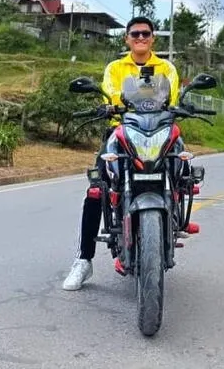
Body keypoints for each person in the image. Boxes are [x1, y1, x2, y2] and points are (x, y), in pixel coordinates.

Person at [62, 16, 180, 291]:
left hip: (160, 129)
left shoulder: (166, 67)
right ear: (126, 38)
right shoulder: (115, 67)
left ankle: (175, 209)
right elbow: (111, 94)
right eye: (135, 34)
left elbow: (171, 97)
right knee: (96, 190)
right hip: (122, 131)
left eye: (145, 34)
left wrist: (172, 104)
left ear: (153, 38)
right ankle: (84, 260)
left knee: (183, 167)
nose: (140, 38)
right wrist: (114, 104)